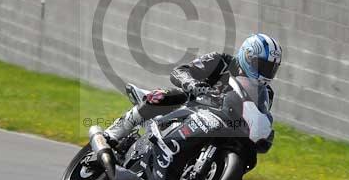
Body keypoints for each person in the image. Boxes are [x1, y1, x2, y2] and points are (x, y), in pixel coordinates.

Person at [101, 34, 282, 148]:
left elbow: (255, 117)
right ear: (247, 56)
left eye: (270, 69)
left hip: (223, 128)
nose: (265, 72)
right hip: (192, 108)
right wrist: (193, 85)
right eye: (262, 65)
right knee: (162, 96)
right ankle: (113, 133)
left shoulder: (266, 93)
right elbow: (180, 71)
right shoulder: (221, 62)